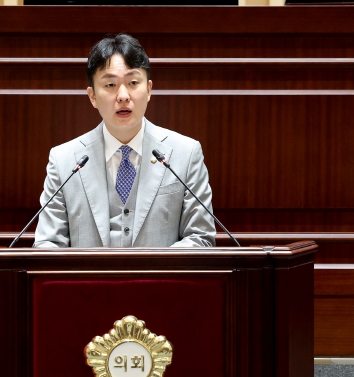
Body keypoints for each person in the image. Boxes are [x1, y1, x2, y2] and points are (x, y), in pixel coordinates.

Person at [33, 34, 216, 248]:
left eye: (133, 83)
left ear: (149, 90)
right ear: (92, 96)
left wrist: (155, 268)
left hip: (162, 272)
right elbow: (48, 244)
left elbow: (200, 238)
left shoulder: (186, 153)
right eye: (110, 84)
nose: (123, 95)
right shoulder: (64, 160)